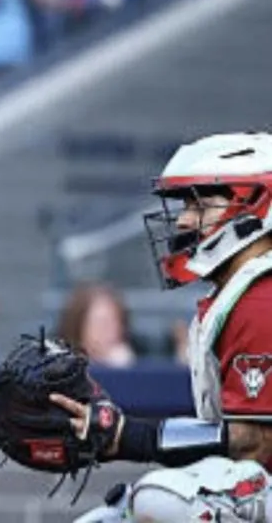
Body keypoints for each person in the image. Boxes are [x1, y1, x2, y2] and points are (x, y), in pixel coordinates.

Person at [59, 132, 272, 521]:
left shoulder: (263, 300)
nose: (185, 219)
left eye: (200, 204)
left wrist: (130, 437)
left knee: (162, 498)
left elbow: (257, 443)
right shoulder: (243, 293)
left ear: (256, 207)